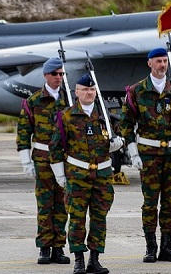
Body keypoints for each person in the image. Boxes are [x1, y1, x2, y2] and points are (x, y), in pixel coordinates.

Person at [120, 47, 171, 264]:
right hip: (149, 155)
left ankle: (167, 247)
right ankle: (151, 247)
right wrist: (132, 152)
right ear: (149, 63)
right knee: (150, 203)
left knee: (169, 203)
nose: (162, 65)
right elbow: (126, 124)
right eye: (158, 61)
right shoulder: (137, 91)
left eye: (164, 61)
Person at [50, 73, 120, 274]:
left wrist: (118, 143)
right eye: (85, 89)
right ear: (77, 92)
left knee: (99, 217)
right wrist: (60, 175)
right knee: (77, 218)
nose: (89, 93)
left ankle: (95, 260)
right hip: (77, 175)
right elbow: (55, 147)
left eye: (92, 89)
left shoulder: (106, 115)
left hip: (102, 175)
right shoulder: (66, 116)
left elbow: (119, 133)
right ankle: (79, 259)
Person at [15, 57, 70, 265]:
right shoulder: (34, 101)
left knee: (62, 204)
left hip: (65, 159)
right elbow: (24, 131)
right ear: (46, 75)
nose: (59, 78)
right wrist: (25, 159)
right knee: (45, 204)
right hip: (43, 158)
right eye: (55, 74)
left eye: (61, 74)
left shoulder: (69, 100)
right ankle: (45, 248)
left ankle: (59, 248)